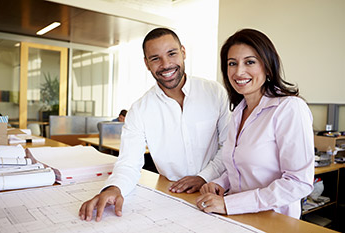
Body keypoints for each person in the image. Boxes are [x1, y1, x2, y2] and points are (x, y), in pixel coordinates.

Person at [79, 28, 230, 221]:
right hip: (173, 198)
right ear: (146, 64)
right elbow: (129, 163)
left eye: (172, 53)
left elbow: (229, 146)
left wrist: (204, 176)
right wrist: (114, 188)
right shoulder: (140, 110)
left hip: (220, 194)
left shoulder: (214, 93)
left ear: (183, 52)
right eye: (155, 58)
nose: (166, 64)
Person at [196, 28, 314, 219]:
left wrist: (229, 204)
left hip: (274, 221)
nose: (239, 71)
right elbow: (241, 167)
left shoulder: (289, 108)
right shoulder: (237, 113)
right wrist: (220, 183)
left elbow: (299, 182)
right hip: (238, 217)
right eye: (232, 63)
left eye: (249, 62)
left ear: (267, 67)